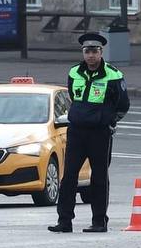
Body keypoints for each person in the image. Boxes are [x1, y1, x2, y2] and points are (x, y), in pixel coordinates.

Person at [49, 31, 129, 233]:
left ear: (101, 52)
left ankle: (99, 221)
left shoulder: (113, 74)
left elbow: (123, 105)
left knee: (99, 178)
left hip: (99, 133)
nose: (91, 55)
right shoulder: (74, 72)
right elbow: (73, 99)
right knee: (68, 177)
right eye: (87, 51)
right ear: (83, 53)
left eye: (94, 51)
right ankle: (64, 221)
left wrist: (109, 122)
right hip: (76, 132)